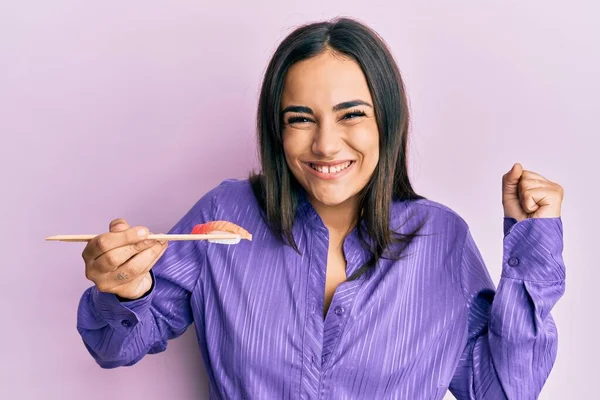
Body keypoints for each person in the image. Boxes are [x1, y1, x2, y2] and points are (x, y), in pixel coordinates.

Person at [76, 17, 566, 399]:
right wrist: (126, 288)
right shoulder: (226, 215)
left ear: (386, 123)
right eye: (301, 118)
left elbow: (503, 391)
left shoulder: (441, 240)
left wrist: (532, 248)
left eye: (351, 114)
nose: (326, 145)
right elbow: (114, 346)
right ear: (277, 129)